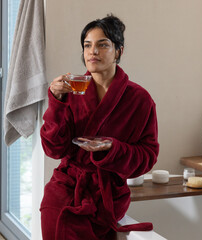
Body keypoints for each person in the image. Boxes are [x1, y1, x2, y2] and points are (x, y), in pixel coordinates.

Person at [40, 14, 159, 240]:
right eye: (87, 45)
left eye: (102, 45)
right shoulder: (71, 91)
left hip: (107, 195)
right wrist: (56, 101)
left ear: (119, 51)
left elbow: (148, 156)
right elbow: (53, 149)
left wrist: (111, 149)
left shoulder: (140, 100)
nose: (93, 51)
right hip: (66, 188)